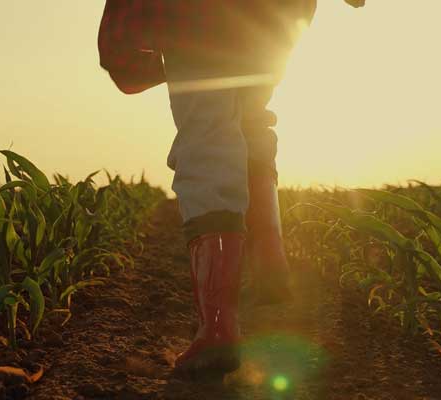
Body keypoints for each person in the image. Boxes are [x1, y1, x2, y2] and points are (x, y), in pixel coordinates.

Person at [99, 0, 361, 379]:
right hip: (271, 21)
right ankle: (268, 254)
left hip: (197, 18)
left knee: (207, 141)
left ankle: (218, 326)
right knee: (251, 122)